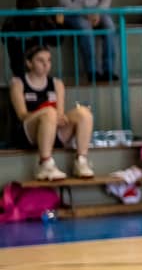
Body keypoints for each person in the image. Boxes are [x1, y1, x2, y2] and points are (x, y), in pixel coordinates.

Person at [9, 46, 94, 180]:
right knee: (50, 112)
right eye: (40, 60)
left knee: (84, 113)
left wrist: (58, 118)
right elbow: (22, 115)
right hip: (28, 133)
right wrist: (46, 114)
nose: (45, 64)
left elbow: (60, 114)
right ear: (29, 63)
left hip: (53, 130)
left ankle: (81, 161)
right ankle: (45, 163)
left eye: (48, 60)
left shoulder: (57, 83)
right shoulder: (18, 83)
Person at [2, 0, 59, 80]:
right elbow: (55, 41)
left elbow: (4, 40)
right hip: (35, 67)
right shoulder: (42, 17)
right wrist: (59, 23)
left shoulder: (11, 18)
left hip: (19, 68)